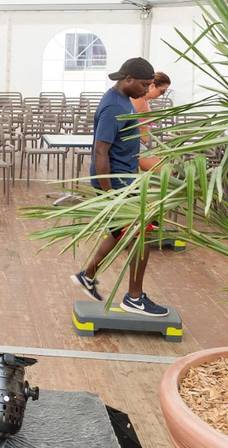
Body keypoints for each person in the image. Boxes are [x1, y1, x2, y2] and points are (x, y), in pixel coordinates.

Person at [71, 57, 168, 317]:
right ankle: (134, 298)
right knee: (141, 234)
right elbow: (100, 151)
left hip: (124, 179)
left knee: (119, 232)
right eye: (144, 85)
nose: (146, 91)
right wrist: (109, 193)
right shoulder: (114, 106)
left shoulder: (123, 99)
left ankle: (87, 275)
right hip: (115, 183)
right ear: (128, 79)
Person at [131, 72, 171, 172]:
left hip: (140, 145)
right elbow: (128, 122)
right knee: (165, 171)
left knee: (166, 169)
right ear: (152, 86)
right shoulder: (138, 100)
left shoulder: (144, 101)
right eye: (162, 91)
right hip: (135, 146)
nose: (162, 95)